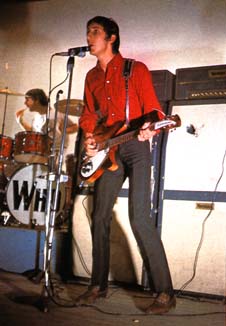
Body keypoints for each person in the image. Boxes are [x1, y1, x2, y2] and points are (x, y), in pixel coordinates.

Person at [75, 16, 176, 314]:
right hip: (108, 152)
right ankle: (97, 286)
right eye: (88, 32)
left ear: (112, 38)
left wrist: (151, 127)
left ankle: (164, 293)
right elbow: (89, 114)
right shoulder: (91, 77)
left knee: (139, 218)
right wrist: (90, 138)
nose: (89, 37)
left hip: (135, 147)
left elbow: (155, 109)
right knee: (100, 216)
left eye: (95, 32)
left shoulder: (135, 69)